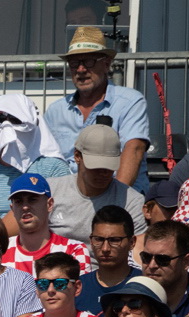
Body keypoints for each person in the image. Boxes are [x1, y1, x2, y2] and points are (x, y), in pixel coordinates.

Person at [45, 26, 150, 193]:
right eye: (74, 63)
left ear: (106, 64)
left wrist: (115, 200)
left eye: (88, 61)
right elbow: (45, 160)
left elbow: (134, 149)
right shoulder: (55, 110)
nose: (81, 70)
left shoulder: (130, 102)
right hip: (69, 198)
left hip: (117, 194)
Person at [46, 125, 146, 244]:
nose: (103, 172)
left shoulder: (132, 201)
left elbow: (137, 251)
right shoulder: (50, 190)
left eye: (109, 166)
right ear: (77, 156)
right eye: (95, 166)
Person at [0, 173, 92, 276]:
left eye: (32, 199)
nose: (25, 207)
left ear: (49, 204)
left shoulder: (74, 250)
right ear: (12, 209)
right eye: (19, 201)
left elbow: (80, 291)